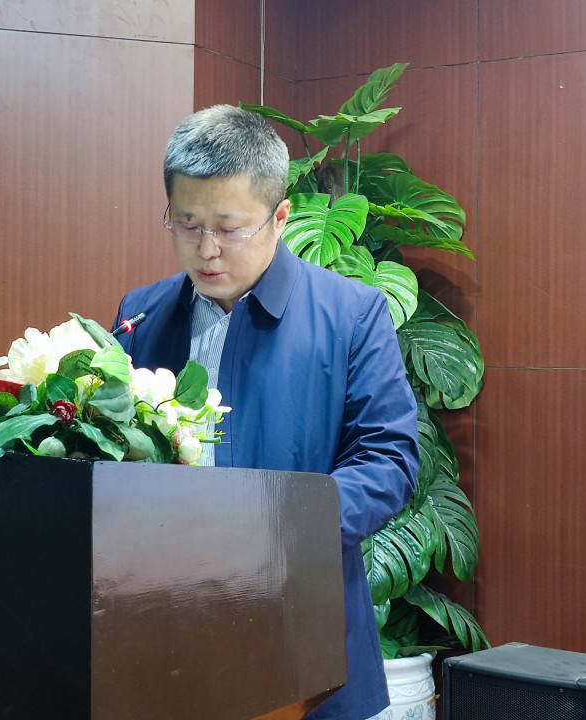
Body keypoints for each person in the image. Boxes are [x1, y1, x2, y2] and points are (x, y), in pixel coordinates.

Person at [114, 105, 419, 720]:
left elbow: (388, 460)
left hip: (302, 625)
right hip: (167, 623)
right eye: (187, 223)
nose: (206, 250)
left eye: (229, 228)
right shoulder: (140, 315)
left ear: (279, 217)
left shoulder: (351, 315)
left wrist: (276, 531)